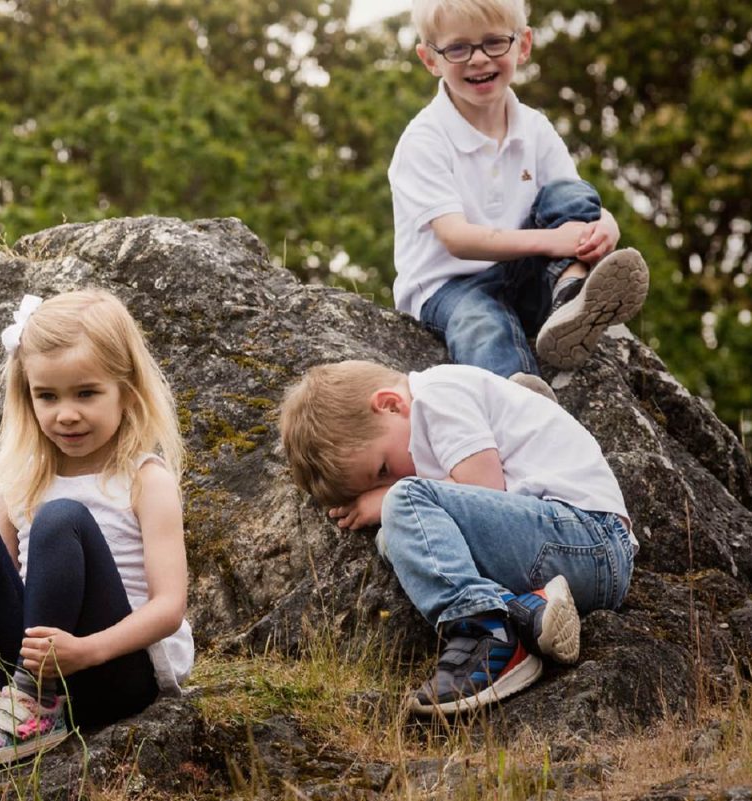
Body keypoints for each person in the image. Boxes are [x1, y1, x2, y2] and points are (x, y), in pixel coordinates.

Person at [0, 289, 192, 780]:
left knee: (60, 520)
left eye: (86, 393)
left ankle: (36, 699)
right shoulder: (19, 482)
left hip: (115, 670)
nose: (65, 414)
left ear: (127, 394)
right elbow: (0, 589)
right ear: (26, 395)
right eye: (47, 396)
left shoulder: (145, 478)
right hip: (34, 663)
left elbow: (168, 607)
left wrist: (85, 651)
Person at [278, 360, 637, 715]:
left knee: (405, 504)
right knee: (394, 538)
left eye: (383, 470)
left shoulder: (438, 396)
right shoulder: (419, 423)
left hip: (589, 538)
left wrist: (390, 496)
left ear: (391, 404)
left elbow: (484, 485)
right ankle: (527, 611)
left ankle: (488, 633)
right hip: (565, 558)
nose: (387, 484)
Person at [389, 0, 650, 394]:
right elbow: (457, 239)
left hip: (528, 274)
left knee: (567, 194)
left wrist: (605, 226)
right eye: (458, 48)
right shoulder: (424, 140)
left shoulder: (535, 127)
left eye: (494, 42)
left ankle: (570, 298)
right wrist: (554, 241)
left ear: (522, 45)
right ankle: (520, 395)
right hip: (450, 287)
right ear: (430, 59)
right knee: (481, 325)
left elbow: (572, 196)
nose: (478, 59)